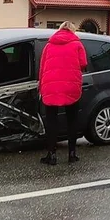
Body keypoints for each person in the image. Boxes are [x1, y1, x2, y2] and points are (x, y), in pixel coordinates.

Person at [37, 22, 87, 165]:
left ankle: (51, 155)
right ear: (72, 30)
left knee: (52, 121)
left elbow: (42, 67)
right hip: (70, 86)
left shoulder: (48, 45)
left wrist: (41, 87)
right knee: (72, 120)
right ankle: (72, 154)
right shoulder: (77, 45)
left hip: (51, 86)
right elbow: (83, 64)